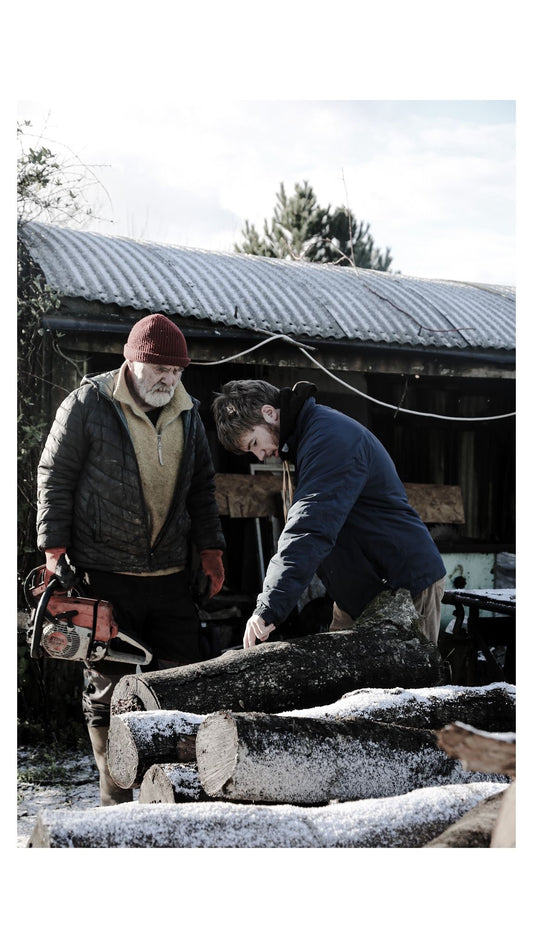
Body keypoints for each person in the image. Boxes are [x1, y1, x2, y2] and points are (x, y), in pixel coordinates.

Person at [37, 313, 226, 805]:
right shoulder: (87, 403)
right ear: (132, 360)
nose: (169, 379)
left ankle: (171, 801)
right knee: (108, 692)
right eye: (160, 368)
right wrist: (54, 548)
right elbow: (54, 475)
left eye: (177, 371)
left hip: (170, 578)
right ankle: (114, 801)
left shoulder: (189, 412)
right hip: (102, 574)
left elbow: (203, 490)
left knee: (180, 682)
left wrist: (211, 550)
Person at [212, 379, 446, 650]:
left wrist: (269, 607)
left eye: (254, 443)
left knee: (405, 687)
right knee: (344, 682)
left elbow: (309, 527)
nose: (261, 456)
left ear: (269, 413)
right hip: (362, 590)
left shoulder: (329, 438)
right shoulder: (309, 438)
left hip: (403, 583)